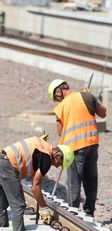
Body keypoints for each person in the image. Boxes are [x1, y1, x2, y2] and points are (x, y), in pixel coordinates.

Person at [48, 79, 107, 217]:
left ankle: (73, 214)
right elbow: (103, 113)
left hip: (75, 148)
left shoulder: (60, 107)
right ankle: (89, 212)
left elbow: (60, 132)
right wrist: (92, 99)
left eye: (55, 97)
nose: (57, 101)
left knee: (73, 182)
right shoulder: (87, 96)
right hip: (92, 144)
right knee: (91, 179)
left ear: (59, 91)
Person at [0, 136, 74, 231]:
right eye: (60, 164)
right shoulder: (47, 158)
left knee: (1, 203)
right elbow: (35, 187)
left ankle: (1, 229)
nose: (57, 167)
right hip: (7, 166)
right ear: (58, 156)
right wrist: (44, 208)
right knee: (18, 205)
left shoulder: (44, 146)